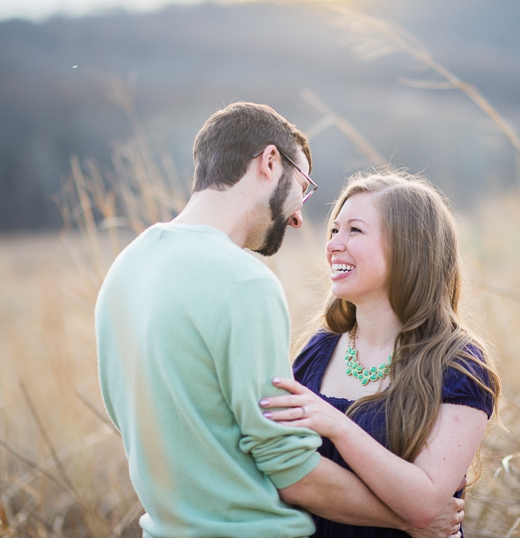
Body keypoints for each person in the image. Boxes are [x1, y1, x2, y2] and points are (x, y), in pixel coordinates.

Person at [96, 103, 464, 537]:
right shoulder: (243, 281)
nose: (297, 216)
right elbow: (294, 472)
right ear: (270, 163)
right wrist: (409, 519)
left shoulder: (126, 268)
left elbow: (127, 420)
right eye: (303, 187)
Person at [260, 170, 502, 537]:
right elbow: (282, 471)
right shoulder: (319, 350)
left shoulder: (458, 364)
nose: (333, 245)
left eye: (354, 230)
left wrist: (337, 425)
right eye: (334, 231)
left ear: (409, 248)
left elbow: (425, 504)